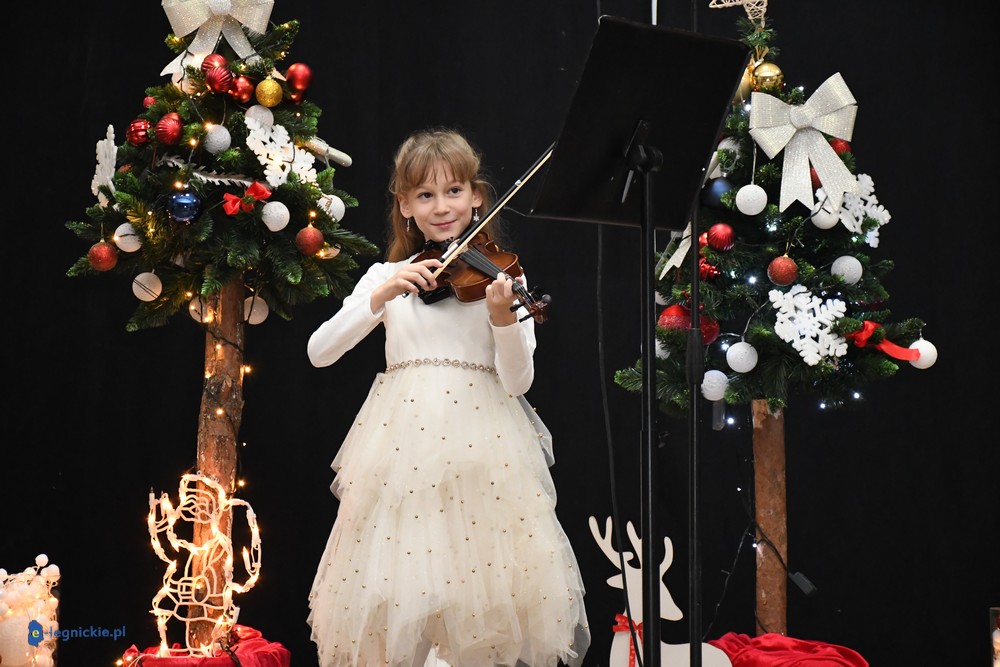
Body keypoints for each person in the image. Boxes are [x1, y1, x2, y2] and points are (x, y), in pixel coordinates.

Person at [305, 128, 590, 667]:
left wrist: (502, 318)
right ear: (405, 206)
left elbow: (518, 382)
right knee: (400, 591)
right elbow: (319, 352)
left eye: (454, 191)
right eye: (426, 195)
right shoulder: (387, 276)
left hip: (481, 448)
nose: (442, 207)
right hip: (402, 451)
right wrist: (380, 295)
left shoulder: (502, 275)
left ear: (477, 197)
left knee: (479, 599)